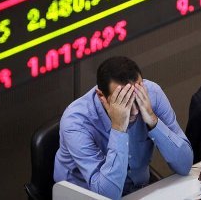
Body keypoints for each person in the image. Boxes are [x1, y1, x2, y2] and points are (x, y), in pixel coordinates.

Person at [54, 56, 193, 199]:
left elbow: (185, 165)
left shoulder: (152, 94)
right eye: (123, 101)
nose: (135, 111)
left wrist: (152, 120)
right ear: (102, 96)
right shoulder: (76, 122)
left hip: (139, 189)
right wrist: (118, 128)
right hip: (84, 196)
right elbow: (107, 196)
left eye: (136, 98)